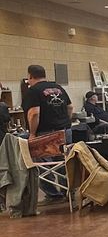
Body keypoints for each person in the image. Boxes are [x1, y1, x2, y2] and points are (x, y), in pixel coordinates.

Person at [23, 65, 73, 200]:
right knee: (65, 163)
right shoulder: (59, 88)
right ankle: (68, 191)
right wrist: (64, 123)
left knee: (43, 166)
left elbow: (34, 114)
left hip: (44, 133)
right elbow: (70, 107)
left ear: (30, 76)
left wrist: (32, 133)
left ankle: (53, 194)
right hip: (64, 131)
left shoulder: (33, 91)